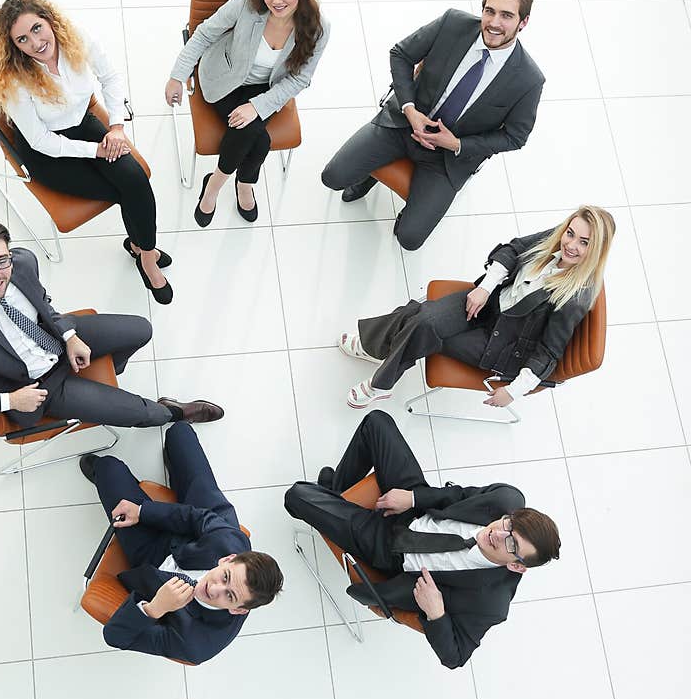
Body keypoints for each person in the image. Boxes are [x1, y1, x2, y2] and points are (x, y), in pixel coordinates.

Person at [284, 411, 560, 669]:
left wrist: (437, 613)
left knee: (297, 496)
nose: (497, 534)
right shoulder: (506, 499)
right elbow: (457, 496)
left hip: (390, 551)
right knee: (377, 422)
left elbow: (455, 656)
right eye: (508, 525)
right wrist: (413, 498)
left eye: (511, 545)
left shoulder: (491, 602)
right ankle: (335, 491)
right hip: (415, 509)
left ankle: (330, 497)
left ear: (516, 566)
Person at [0, 219, 224, 431]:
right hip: (38, 386)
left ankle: (108, 372)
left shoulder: (23, 262)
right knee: (141, 413)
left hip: (57, 340)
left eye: (1, 261)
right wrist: (11, 400)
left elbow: (43, 305)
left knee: (141, 329)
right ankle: (172, 411)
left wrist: (69, 335)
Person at [322, 0, 545, 251]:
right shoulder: (453, 23)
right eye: (489, 11)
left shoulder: (529, 79)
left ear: (523, 22)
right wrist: (410, 109)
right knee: (331, 178)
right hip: (403, 123)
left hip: (447, 158)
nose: (494, 22)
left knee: (410, 239)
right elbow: (401, 54)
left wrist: (457, 144)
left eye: (506, 15)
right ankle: (368, 175)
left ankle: (409, 211)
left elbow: (515, 136)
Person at [0, 0, 173, 305]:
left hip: (85, 123)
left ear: (49, 20)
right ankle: (145, 253)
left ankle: (143, 252)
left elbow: (110, 78)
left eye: (37, 28)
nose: (36, 42)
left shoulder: (77, 39)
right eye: (23, 39)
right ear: (15, 47)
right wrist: (96, 150)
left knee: (135, 179)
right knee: (124, 190)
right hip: (47, 153)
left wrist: (116, 128)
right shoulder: (16, 81)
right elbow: (40, 141)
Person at [338, 205, 615, 409]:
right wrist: (485, 288)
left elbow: (548, 353)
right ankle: (377, 350)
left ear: (597, 250)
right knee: (422, 318)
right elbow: (513, 248)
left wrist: (514, 392)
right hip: (489, 305)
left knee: (426, 327)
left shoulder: (575, 297)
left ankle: (380, 380)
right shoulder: (558, 237)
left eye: (584, 243)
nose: (570, 244)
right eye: (570, 234)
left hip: (502, 345)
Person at [79, 423, 284, 664]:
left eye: (229, 596)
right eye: (225, 577)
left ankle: (107, 475)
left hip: (152, 557)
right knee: (179, 432)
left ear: (239, 610)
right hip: (200, 527)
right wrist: (144, 511)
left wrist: (155, 608)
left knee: (108, 468)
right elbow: (197, 518)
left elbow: (115, 637)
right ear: (228, 559)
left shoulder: (196, 643)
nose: (214, 589)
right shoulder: (231, 541)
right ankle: (171, 467)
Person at [166, 0, 330, 226]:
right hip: (224, 78)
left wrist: (257, 105)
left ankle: (217, 183)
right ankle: (240, 183)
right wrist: (176, 75)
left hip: (266, 90)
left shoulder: (318, 28)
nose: (276, 0)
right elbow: (204, 33)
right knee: (257, 137)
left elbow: (300, 79)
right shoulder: (247, 2)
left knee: (255, 135)